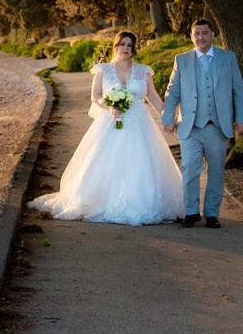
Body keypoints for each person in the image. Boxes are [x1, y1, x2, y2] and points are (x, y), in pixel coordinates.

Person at [27, 30, 185, 225]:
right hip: (110, 122)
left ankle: (142, 202)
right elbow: (95, 96)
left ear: (134, 49)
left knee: (143, 162)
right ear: (116, 47)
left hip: (139, 123)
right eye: (122, 44)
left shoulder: (143, 71)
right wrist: (109, 107)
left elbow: (152, 97)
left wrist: (168, 116)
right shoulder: (103, 70)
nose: (126, 48)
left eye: (130, 45)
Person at [159, 17, 243, 228]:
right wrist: (168, 118)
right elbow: (173, 92)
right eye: (196, 34)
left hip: (218, 126)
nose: (200, 37)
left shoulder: (228, 58)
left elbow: (238, 90)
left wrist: (242, 119)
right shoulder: (182, 60)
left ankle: (211, 214)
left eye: (204, 33)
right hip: (190, 126)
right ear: (191, 36)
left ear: (212, 34)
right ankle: (191, 212)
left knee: (216, 171)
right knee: (190, 168)